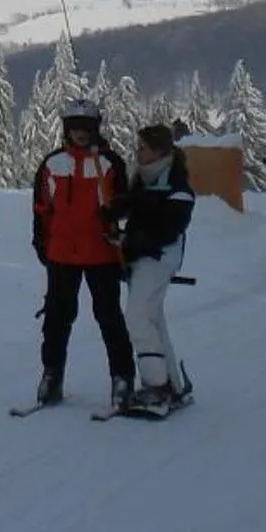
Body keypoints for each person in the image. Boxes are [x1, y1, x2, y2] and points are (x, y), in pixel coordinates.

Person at [27, 97, 137, 413]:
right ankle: (52, 375)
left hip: (101, 253)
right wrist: (41, 243)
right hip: (62, 254)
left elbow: (125, 204)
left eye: (86, 128)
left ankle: (122, 377)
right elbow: (41, 209)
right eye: (75, 128)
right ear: (66, 130)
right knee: (57, 319)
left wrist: (117, 211)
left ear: (95, 129)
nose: (80, 134)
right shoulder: (52, 163)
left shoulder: (109, 163)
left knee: (109, 318)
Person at [117, 122, 196, 414]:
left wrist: (133, 242)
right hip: (142, 255)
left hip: (161, 257)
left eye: (143, 148)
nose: (137, 153)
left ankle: (156, 385)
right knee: (152, 317)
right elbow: (132, 209)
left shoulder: (177, 187)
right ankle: (172, 383)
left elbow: (167, 228)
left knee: (137, 317)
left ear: (160, 151)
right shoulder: (143, 179)